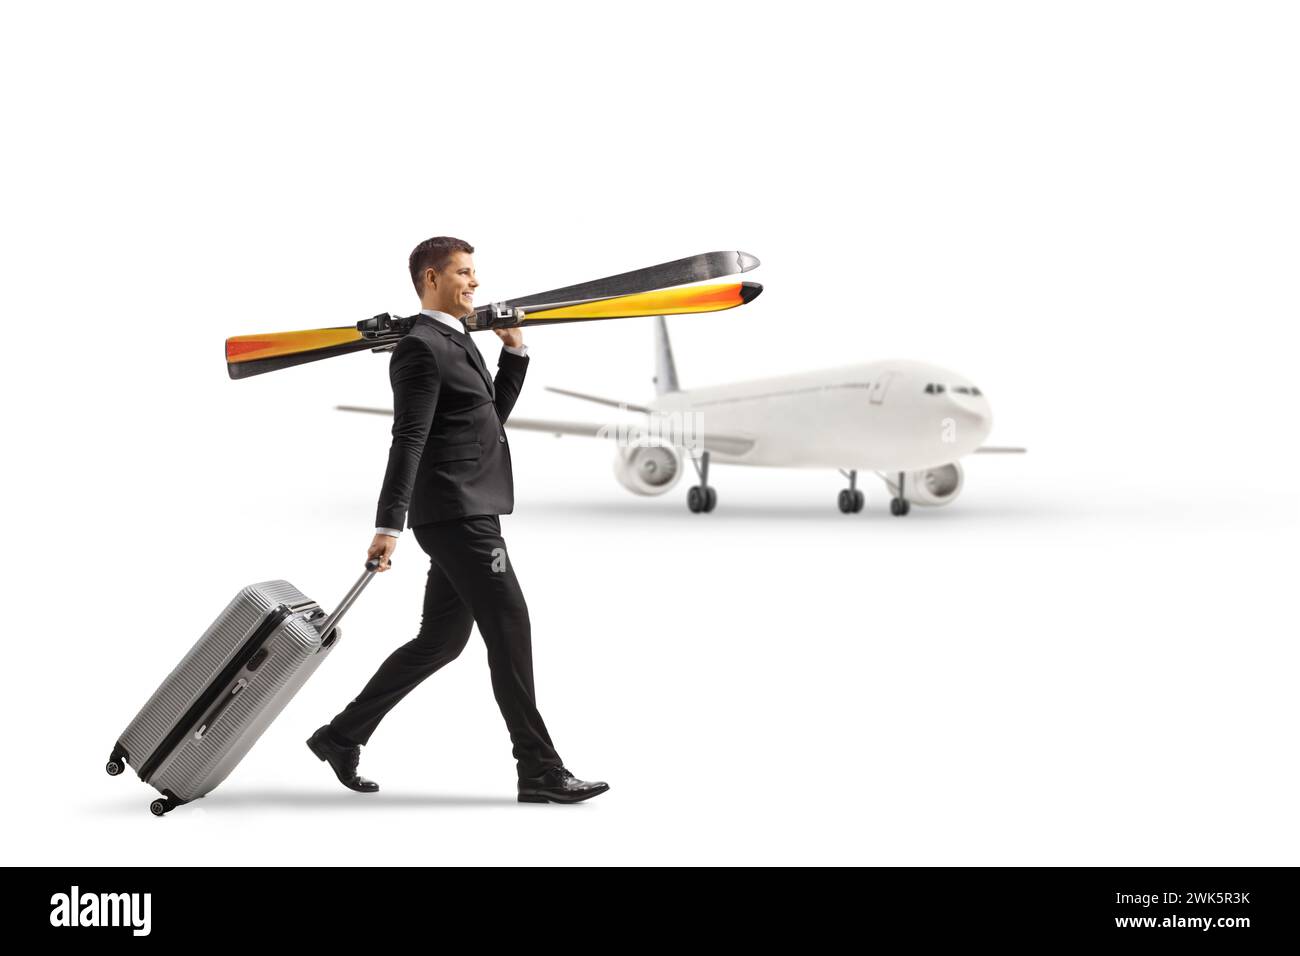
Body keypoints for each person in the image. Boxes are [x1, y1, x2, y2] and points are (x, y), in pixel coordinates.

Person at [307, 236, 609, 804]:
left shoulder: (452, 340)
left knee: (440, 642)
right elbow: (409, 437)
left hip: (468, 507)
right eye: (463, 273)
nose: (474, 283)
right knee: (510, 626)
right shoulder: (420, 347)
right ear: (430, 279)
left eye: (475, 274)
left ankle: (340, 736)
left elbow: (485, 421)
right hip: (458, 514)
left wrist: (514, 354)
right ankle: (539, 769)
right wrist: (388, 524)